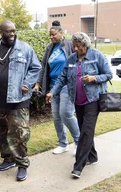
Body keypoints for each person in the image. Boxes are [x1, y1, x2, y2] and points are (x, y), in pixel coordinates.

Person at [0, 20, 41, 181]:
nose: (12, 34)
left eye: (14, 31)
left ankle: (22, 164)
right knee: (0, 131)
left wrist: (27, 83)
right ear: (1, 32)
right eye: (8, 31)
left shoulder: (25, 48)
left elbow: (36, 68)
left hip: (18, 99)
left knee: (19, 133)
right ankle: (8, 159)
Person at [46, 32, 112, 178]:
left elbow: (108, 74)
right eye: (74, 45)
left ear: (85, 45)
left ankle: (78, 166)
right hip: (77, 101)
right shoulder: (71, 59)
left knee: (86, 132)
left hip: (93, 100)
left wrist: (94, 78)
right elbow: (63, 77)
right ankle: (92, 157)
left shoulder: (96, 55)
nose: (75, 48)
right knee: (84, 130)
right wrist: (52, 92)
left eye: (78, 46)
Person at [33, 21, 80, 155]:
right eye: (50, 35)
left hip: (67, 85)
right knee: (56, 116)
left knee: (66, 114)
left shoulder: (70, 45)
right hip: (53, 87)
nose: (51, 37)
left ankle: (79, 142)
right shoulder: (49, 48)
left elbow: (78, 61)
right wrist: (38, 84)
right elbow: (44, 66)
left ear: (61, 33)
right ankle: (63, 144)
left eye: (54, 35)